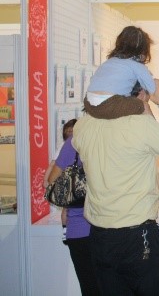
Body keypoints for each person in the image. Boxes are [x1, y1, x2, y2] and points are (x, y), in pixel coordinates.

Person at [72, 79, 159, 295]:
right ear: (141, 95)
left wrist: (142, 106)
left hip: (100, 238)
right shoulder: (139, 126)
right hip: (137, 238)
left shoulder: (83, 125)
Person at [47, 124, 101, 296]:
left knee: (89, 286)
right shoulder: (108, 140)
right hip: (108, 227)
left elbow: (51, 181)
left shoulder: (73, 143)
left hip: (78, 229)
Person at [83, 26, 156, 119]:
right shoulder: (137, 66)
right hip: (109, 104)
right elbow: (153, 90)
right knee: (143, 105)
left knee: (128, 101)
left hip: (88, 103)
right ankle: (154, 127)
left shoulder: (109, 62)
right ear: (144, 50)